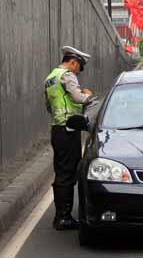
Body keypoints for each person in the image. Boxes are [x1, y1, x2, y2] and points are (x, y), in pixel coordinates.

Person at [44, 46, 92, 230]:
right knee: (69, 173)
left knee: (62, 171)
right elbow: (79, 98)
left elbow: (48, 106)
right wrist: (87, 95)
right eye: (79, 67)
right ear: (73, 62)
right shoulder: (67, 75)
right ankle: (63, 217)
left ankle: (62, 216)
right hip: (68, 130)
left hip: (57, 129)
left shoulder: (50, 77)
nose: (79, 72)